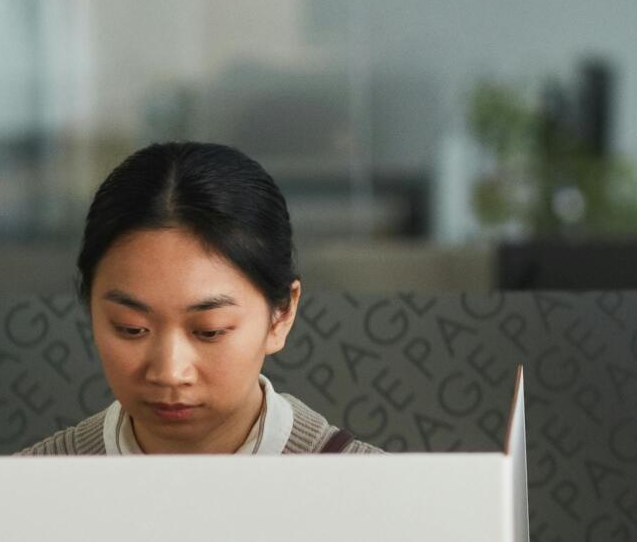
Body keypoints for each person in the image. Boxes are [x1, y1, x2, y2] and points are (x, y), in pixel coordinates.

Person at [21, 141, 382, 456]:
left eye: (209, 331)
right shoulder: (24, 489)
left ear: (282, 314)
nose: (169, 373)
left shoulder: (374, 490)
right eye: (131, 329)